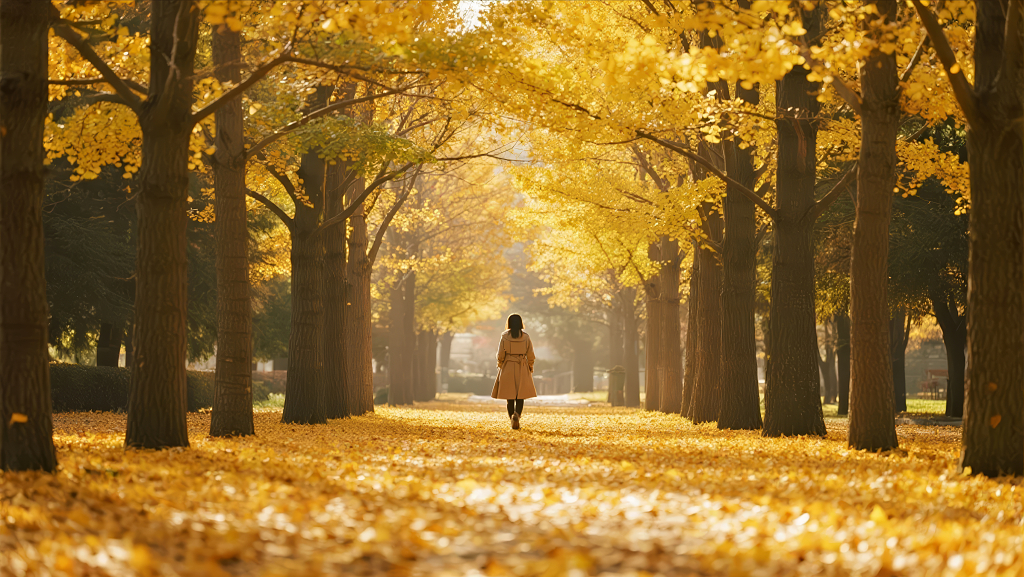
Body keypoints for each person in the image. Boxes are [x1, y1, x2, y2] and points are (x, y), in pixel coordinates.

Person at [490, 314, 537, 429]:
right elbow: (530, 354)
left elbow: (500, 353)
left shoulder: (504, 336)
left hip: (508, 366)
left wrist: (500, 364)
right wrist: (530, 366)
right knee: (520, 395)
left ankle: (512, 417)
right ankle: (517, 415)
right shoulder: (526, 337)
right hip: (522, 366)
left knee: (509, 396)